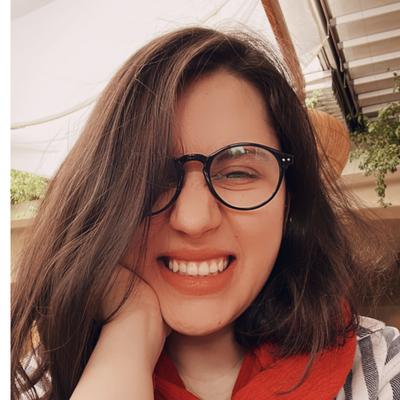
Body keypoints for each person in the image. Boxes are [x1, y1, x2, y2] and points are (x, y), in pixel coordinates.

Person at [11, 27, 400, 400]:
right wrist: (130, 330)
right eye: (153, 177)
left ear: (290, 200)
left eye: (238, 173)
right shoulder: (29, 385)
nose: (194, 221)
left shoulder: (384, 367)